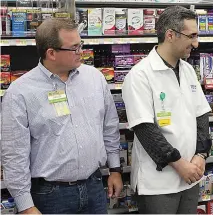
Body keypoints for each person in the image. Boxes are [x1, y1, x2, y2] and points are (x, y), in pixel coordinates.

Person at [1, 18, 123, 214]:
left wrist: (115, 169)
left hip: (94, 186)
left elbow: (109, 126)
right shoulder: (20, 93)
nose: (80, 51)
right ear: (51, 53)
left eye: (80, 44)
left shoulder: (95, 78)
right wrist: (26, 206)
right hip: (51, 195)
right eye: (74, 47)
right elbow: (14, 154)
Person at [122, 6, 211, 214]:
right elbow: (145, 129)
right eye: (192, 36)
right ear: (170, 35)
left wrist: (201, 154)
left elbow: (201, 115)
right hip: (159, 182)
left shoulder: (187, 69)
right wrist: (179, 164)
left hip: (191, 175)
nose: (196, 43)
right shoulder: (140, 75)